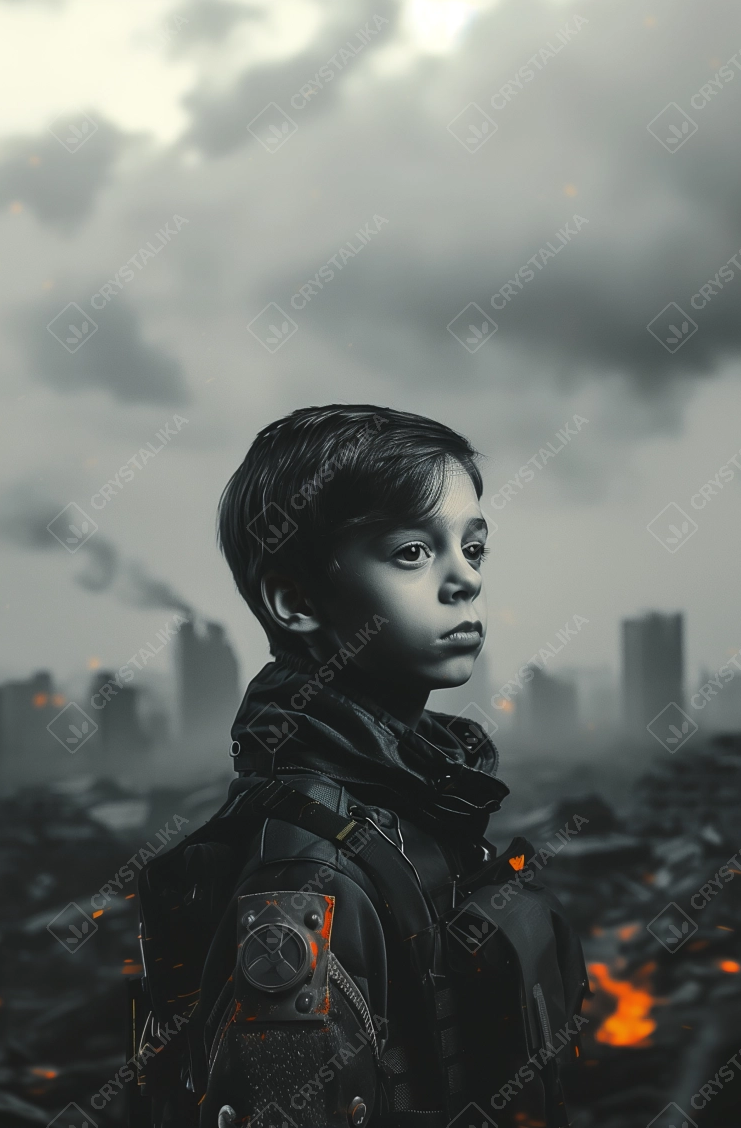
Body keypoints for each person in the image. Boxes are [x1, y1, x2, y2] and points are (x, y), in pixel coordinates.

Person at [145, 404, 586, 1128]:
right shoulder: (306, 879)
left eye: (472, 549)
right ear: (295, 600)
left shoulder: (412, 806)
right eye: (411, 552)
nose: (464, 581)